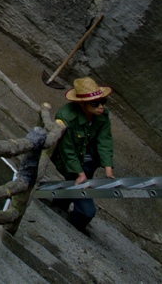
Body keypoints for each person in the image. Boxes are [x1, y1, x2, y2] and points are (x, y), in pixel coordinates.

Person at [49, 77, 115, 233]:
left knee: (73, 188)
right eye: (95, 104)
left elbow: (104, 140)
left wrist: (108, 166)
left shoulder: (102, 115)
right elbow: (67, 150)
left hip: (89, 161)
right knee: (87, 211)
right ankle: (77, 223)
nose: (100, 107)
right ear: (81, 104)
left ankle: (59, 206)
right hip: (71, 162)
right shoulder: (66, 117)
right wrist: (79, 173)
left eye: (102, 102)